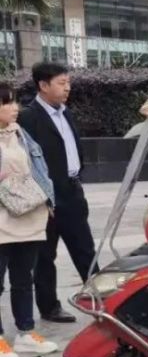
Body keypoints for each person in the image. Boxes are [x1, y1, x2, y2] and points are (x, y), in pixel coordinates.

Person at [18, 63, 96, 324]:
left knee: (85, 249)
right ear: (43, 85)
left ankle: (101, 298)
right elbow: (25, 160)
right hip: (46, 198)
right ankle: (49, 307)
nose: (67, 88)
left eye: (68, 82)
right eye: (62, 83)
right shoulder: (28, 117)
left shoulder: (66, 113)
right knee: (45, 256)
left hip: (72, 192)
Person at [0, 86, 59, 357]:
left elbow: (40, 170)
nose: (14, 108)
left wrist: (49, 202)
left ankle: (25, 333)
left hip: (28, 216)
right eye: (7, 103)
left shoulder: (21, 134)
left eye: (13, 102)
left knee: (23, 280)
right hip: (2, 220)